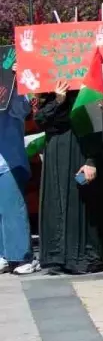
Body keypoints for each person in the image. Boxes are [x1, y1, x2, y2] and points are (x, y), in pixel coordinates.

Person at [25, 82, 103, 275]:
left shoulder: (86, 93)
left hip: (79, 153)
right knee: (56, 202)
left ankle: (81, 256)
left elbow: (97, 127)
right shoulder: (50, 96)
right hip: (55, 155)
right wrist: (58, 100)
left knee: (79, 202)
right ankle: (57, 257)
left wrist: (91, 160)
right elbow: (41, 120)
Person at [0, 92, 33, 273]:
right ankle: (3, 255)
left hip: (9, 159)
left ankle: (22, 256)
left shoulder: (14, 83)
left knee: (12, 208)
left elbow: (23, 109)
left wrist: (15, 85)